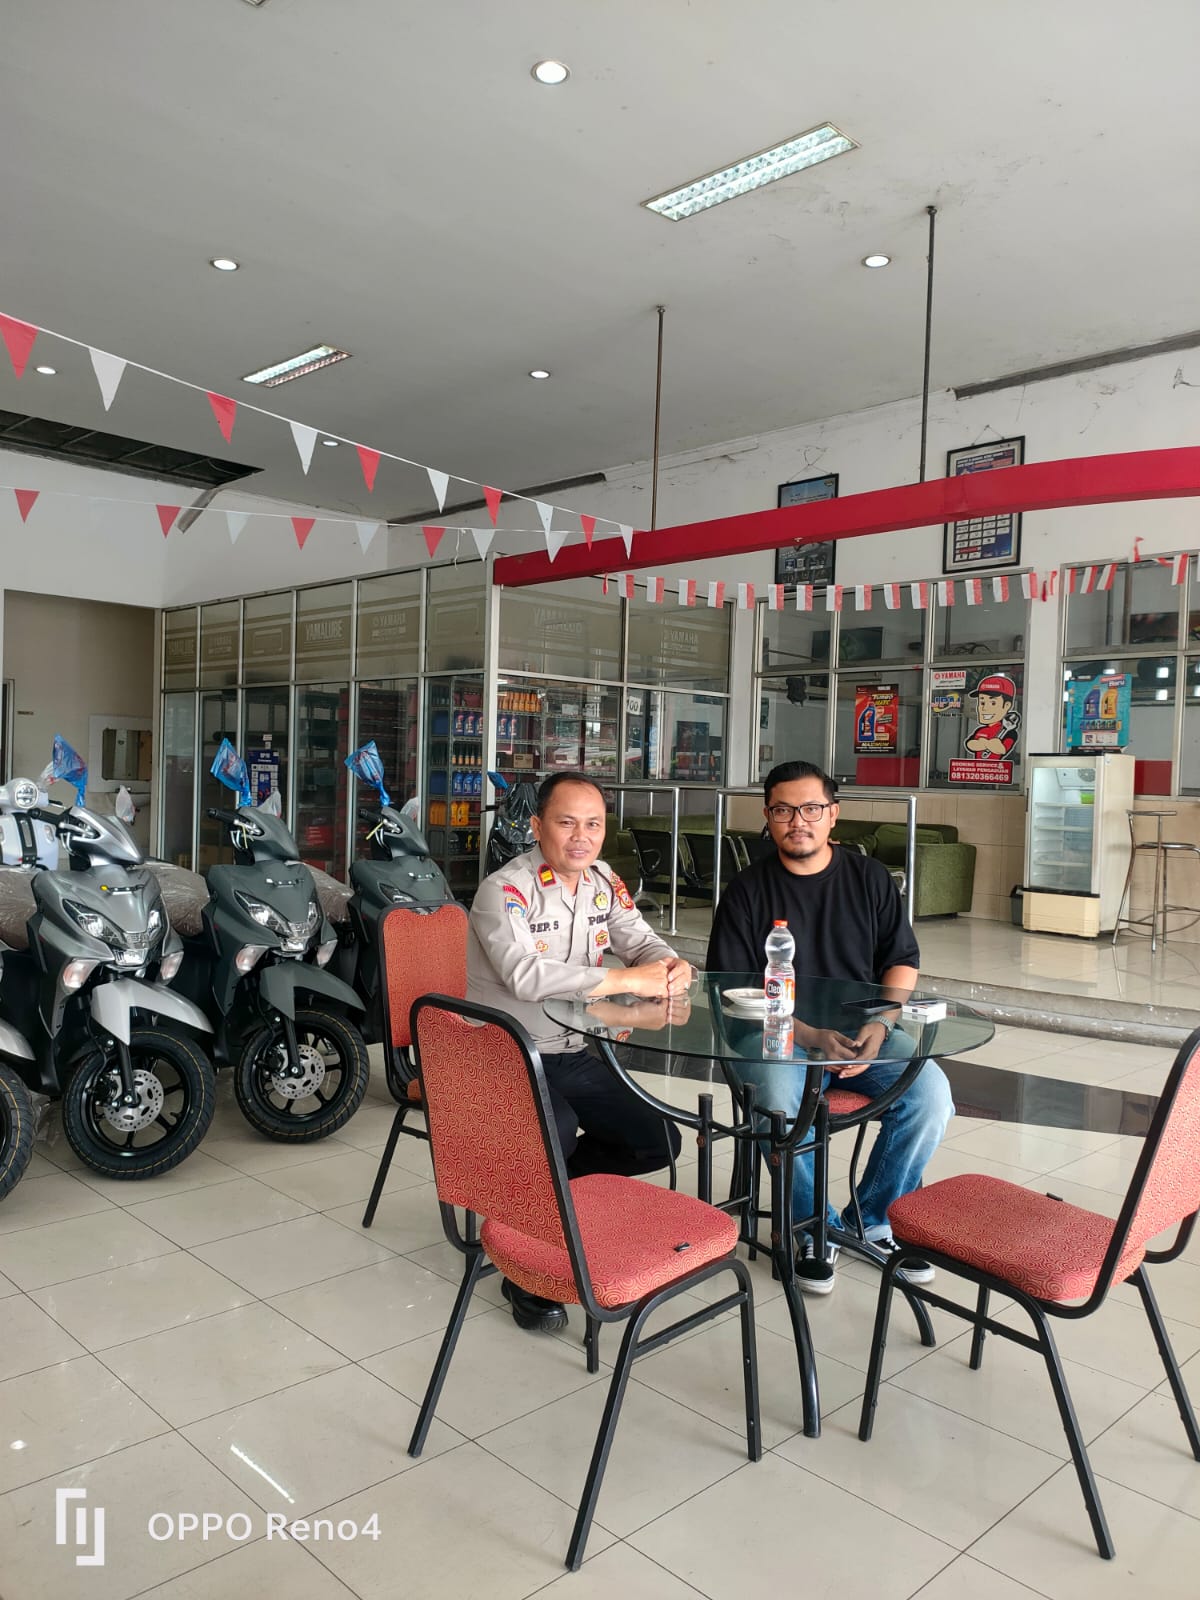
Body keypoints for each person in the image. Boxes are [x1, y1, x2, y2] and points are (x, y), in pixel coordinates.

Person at [706, 759, 953, 1295]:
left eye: (811, 808)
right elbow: (732, 991)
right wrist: (810, 1036)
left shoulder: (869, 878)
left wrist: (882, 1024)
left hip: (862, 1030)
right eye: (783, 810)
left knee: (931, 1096)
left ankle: (874, 1220)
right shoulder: (746, 890)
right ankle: (813, 1227)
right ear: (767, 817)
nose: (798, 821)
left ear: (833, 814)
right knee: (779, 1099)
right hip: (772, 1033)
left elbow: (902, 961)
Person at [468, 771, 692, 1332]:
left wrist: (669, 965)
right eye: (566, 822)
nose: (580, 836)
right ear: (537, 826)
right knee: (557, 1130)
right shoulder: (505, 889)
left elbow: (639, 940)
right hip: (504, 1053)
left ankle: (548, 1207)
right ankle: (527, 1270)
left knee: (656, 1139)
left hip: (569, 1048)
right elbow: (525, 975)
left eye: (593, 824)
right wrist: (626, 981)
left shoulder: (603, 881)